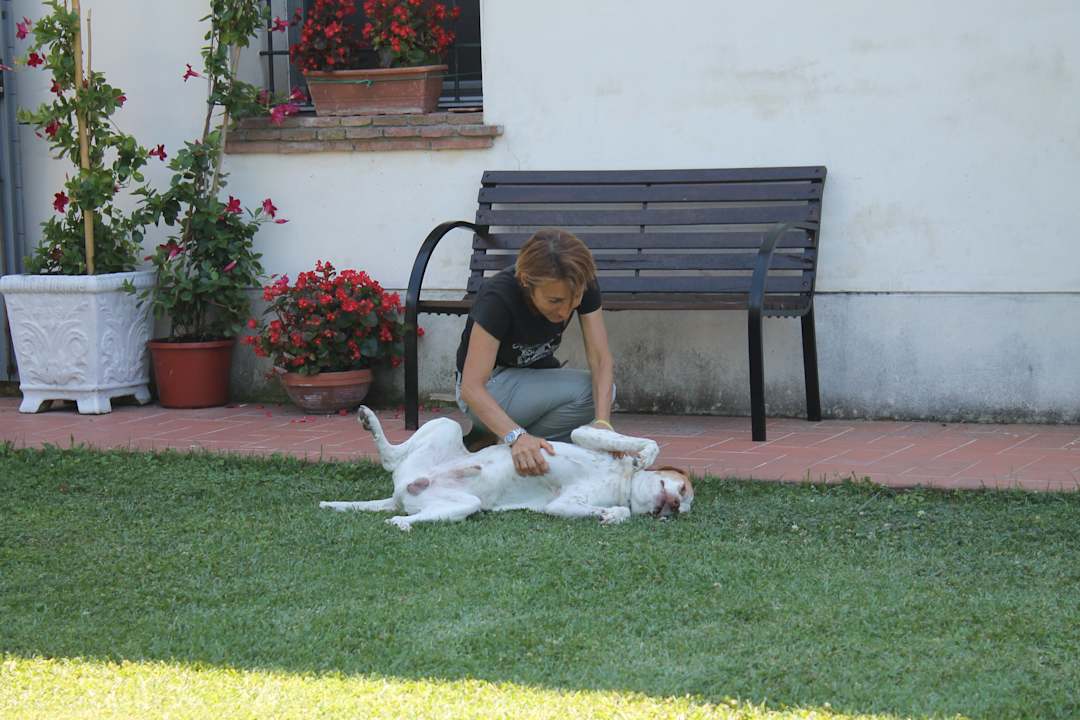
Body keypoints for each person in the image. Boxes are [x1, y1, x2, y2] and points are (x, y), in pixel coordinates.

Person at [455, 227, 616, 477]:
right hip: (489, 388)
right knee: (520, 432)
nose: (565, 311)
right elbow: (471, 388)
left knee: (599, 393)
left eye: (574, 299)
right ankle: (510, 438)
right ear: (526, 282)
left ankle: (505, 443)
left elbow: (600, 360)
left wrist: (603, 426)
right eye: (554, 301)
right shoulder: (498, 296)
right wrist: (516, 436)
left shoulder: (578, 281)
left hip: (530, 381)